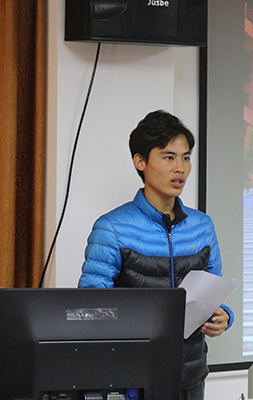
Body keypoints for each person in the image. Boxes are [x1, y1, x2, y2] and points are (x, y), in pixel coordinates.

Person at [78, 110, 233, 399]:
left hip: (190, 379)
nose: (180, 168)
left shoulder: (202, 226)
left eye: (186, 158)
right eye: (169, 157)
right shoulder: (112, 228)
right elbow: (90, 309)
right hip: (132, 381)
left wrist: (223, 316)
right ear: (140, 161)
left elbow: (215, 294)